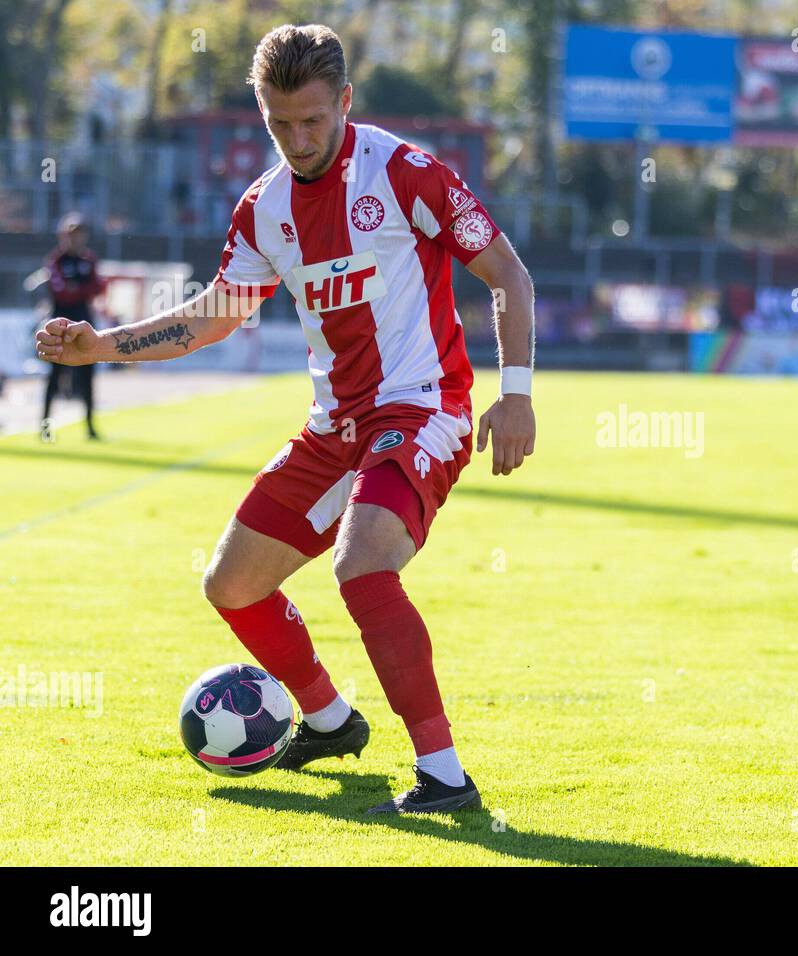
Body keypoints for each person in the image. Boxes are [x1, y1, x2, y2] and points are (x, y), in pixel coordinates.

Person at [35, 23, 537, 815]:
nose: (298, 140)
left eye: (313, 120)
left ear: (344, 101)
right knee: (232, 586)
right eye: (280, 124)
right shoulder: (264, 209)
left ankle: (444, 775)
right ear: (261, 112)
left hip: (421, 407)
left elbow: (505, 269)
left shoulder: (407, 174)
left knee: (362, 567)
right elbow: (211, 316)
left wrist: (517, 392)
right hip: (335, 427)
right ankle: (332, 722)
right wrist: (101, 345)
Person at [41, 213, 106, 439]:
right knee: (54, 377)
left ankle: (89, 427)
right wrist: (82, 289)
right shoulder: (55, 261)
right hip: (59, 327)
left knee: (87, 377)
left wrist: (76, 288)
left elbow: (99, 287)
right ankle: (45, 428)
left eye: (79, 234)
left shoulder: (89, 260)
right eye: (71, 235)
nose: (76, 239)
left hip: (85, 325)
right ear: (63, 236)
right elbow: (62, 292)